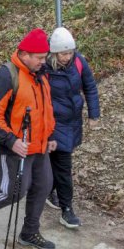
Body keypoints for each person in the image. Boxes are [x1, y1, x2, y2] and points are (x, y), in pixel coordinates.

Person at [0, 28, 57, 249]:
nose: (42, 61)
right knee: (13, 191)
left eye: (44, 57)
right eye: (39, 57)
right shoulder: (6, 76)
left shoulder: (41, 75)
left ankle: (29, 232)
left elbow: (46, 109)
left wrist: (51, 136)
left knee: (43, 186)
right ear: (25, 54)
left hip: (39, 145)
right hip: (13, 146)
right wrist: (11, 141)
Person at [43, 27, 100, 229]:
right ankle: (67, 209)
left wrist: (94, 114)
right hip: (53, 122)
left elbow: (90, 87)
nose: (67, 57)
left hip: (73, 121)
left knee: (55, 161)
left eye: (70, 52)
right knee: (64, 166)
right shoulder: (45, 68)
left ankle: (49, 190)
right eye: (63, 53)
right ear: (54, 52)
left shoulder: (78, 61)